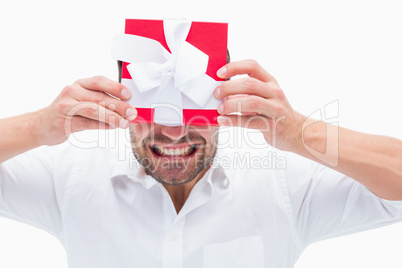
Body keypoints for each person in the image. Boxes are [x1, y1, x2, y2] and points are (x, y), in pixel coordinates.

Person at [0, 59, 401, 268]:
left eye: (197, 115)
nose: (175, 135)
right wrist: (37, 126)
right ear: (121, 107)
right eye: (155, 113)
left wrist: (299, 132)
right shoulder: (72, 179)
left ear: (226, 106)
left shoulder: (282, 184)